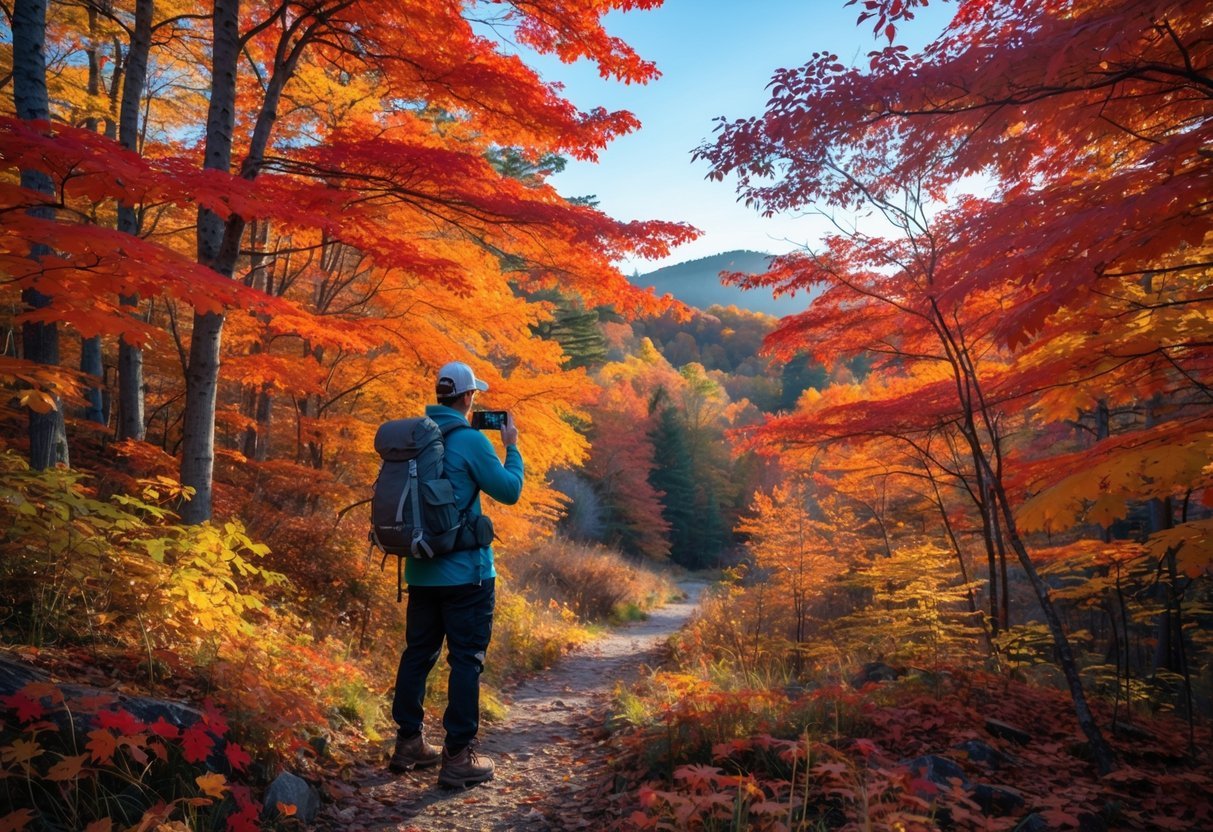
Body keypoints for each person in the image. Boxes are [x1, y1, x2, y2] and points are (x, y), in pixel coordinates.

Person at [388, 361, 523, 788]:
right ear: (467, 398)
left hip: (421, 570)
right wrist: (512, 447)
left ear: (440, 395)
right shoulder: (470, 440)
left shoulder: (417, 437)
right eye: (474, 395)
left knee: (418, 654)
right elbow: (510, 490)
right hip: (467, 575)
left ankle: (408, 741)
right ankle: (459, 756)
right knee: (466, 660)